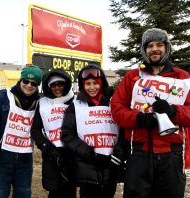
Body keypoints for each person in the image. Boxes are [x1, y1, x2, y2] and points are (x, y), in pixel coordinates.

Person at [111, 28, 190, 198]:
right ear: (144, 50)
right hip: (139, 154)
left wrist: (173, 110)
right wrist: (139, 119)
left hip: (172, 155)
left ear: (166, 48)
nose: (155, 49)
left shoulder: (182, 77)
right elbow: (117, 109)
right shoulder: (132, 77)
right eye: (150, 45)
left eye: (159, 44)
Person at [61, 64, 123, 198]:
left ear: (102, 83)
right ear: (83, 85)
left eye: (95, 83)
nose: (92, 87)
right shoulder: (75, 106)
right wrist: (90, 154)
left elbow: (124, 128)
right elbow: (67, 135)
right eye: (87, 84)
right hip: (86, 167)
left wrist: (119, 152)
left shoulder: (114, 102)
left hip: (110, 166)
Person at [0, 65, 43, 198]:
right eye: (25, 81)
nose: (29, 85)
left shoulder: (40, 103)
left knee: (23, 193)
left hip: (25, 158)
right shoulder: (3, 96)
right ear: (20, 80)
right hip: (2, 154)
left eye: (34, 83)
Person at [30, 68, 76, 198]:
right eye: (53, 85)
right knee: (54, 191)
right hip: (51, 155)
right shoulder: (42, 103)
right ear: (48, 87)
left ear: (66, 84)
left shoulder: (76, 101)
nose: (57, 88)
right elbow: (35, 129)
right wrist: (47, 147)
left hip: (71, 155)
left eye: (60, 84)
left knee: (70, 191)